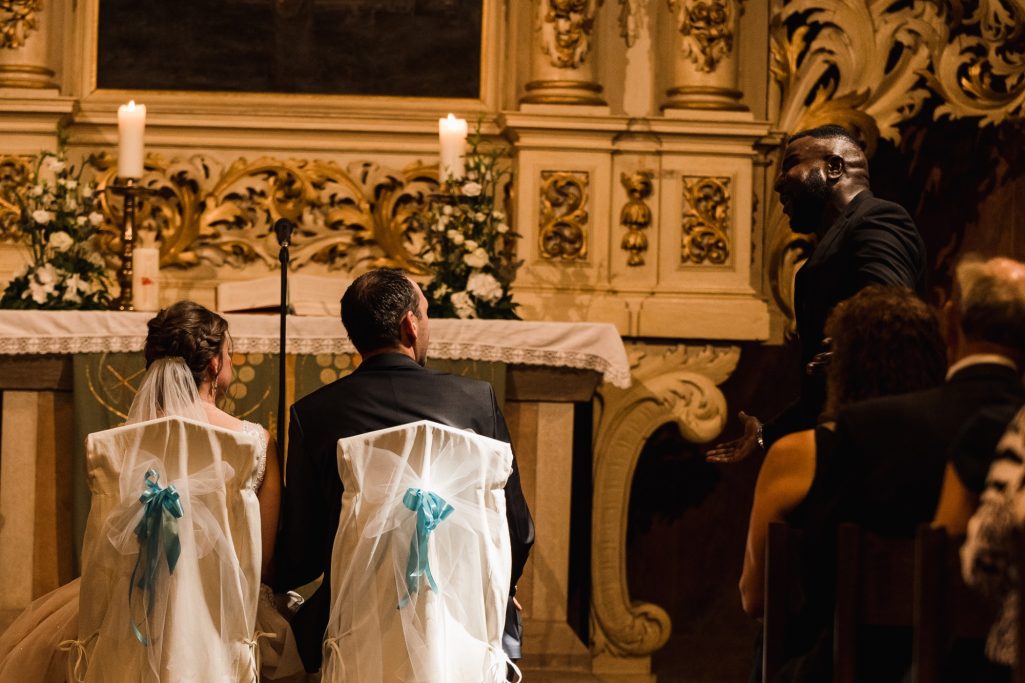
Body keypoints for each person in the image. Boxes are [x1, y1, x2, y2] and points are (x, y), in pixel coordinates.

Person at [0, 301, 301, 681]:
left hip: (128, 607)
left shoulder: (115, 444)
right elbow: (263, 559)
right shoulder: (253, 442)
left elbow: (103, 546)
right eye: (229, 353)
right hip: (222, 612)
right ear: (213, 365)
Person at [273, 268, 535, 673]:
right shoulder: (474, 401)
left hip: (354, 620)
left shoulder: (314, 414)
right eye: (426, 315)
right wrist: (501, 588)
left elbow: (301, 555)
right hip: (459, 620)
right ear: (410, 325)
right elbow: (517, 529)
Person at [738, 286, 946, 681]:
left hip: (827, 662)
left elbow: (755, 596)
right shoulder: (951, 452)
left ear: (843, 368)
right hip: (930, 662)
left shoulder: (801, 454)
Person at [708, 124, 926, 463]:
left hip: (878, 443)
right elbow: (820, 393)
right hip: (844, 437)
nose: (779, 182)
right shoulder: (829, 248)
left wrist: (849, 341)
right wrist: (767, 434)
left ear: (834, 168)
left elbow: (891, 308)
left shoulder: (878, 219)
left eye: (790, 164)